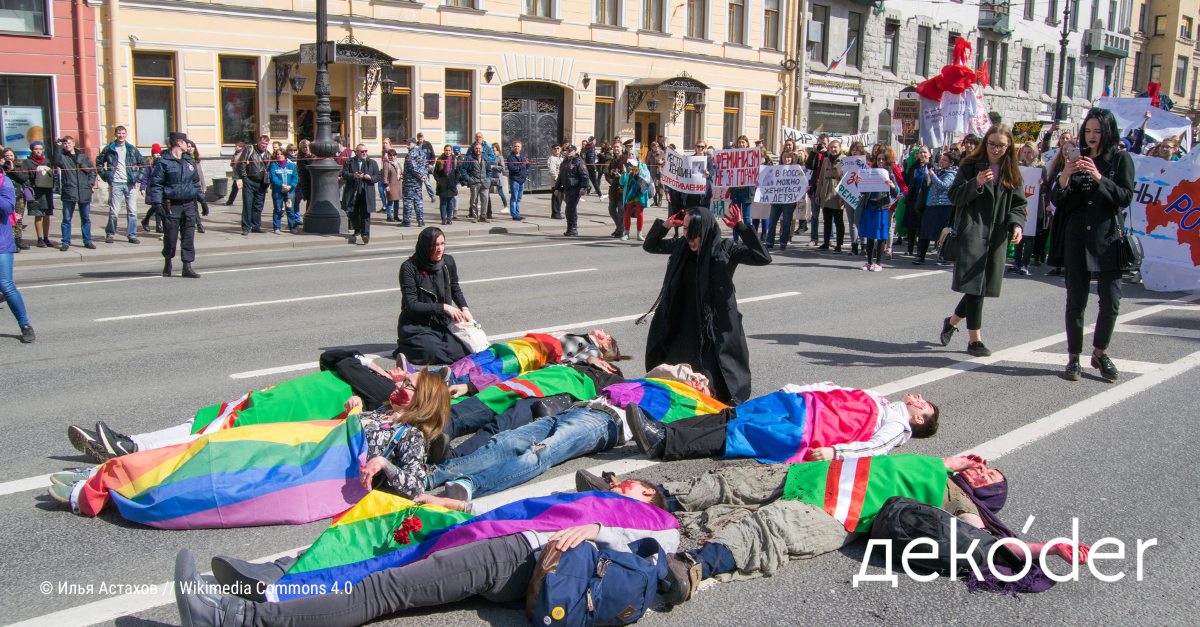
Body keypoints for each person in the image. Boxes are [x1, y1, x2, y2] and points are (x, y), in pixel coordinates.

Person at [172, 482, 680, 627]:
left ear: (652, 497)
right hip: (500, 539)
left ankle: (238, 620)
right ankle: (268, 580)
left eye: (636, 486)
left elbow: (667, 547)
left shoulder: (658, 520)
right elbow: (525, 512)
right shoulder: (596, 501)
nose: (623, 483)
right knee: (385, 536)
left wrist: (595, 526)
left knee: (383, 587)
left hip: (518, 559)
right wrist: (461, 504)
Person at [658, 454, 1089, 592]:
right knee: (729, 483)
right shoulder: (935, 464)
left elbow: (977, 537)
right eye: (985, 469)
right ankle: (651, 496)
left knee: (769, 530)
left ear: (987, 494)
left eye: (990, 480)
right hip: (810, 476)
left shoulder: (957, 499)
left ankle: (695, 565)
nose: (981, 473)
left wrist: (1042, 550)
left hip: (840, 512)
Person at [642, 207, 771, 405]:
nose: (689, 238)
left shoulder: (725, 248)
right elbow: (650, 245)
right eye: (685, 230)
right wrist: (667, 224)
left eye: (694, 233)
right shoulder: (681, 247)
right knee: (677, 377)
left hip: (714, 325)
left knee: (714, 379)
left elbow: (762, 257)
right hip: (684, 321)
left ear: (706, 230)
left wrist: (741, 227)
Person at [625, 382, 939, 462]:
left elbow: (875, 448)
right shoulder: (884, 402)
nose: (919, 398)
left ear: (920, 418)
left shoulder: (898, 426)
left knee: (739, 433)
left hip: (810, 428)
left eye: (925, 405)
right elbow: (835, 390)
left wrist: (834, 454)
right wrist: (799, 388)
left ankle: (665, 443)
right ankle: (664, 430)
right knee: (732, 415)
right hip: (802, 404)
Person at [1050, 108, 1135, 382]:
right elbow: (1057, 199)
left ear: (1107, 132)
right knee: (1076, 300)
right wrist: (1066, 173)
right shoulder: (1077, 158)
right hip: (1076, 237)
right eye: (1088, 131)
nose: (1092, 136)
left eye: (1097, 131)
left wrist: (1098, 177)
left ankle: (1100, 352)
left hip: (1107, 238)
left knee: (1111, 301)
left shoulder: (1120, 158)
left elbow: (1124, 196)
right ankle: (1073, 357)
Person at [940, 124, 1028, 357]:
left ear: (1009, 146)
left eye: (1000, 145)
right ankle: (974, 341)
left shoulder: (1012, 171)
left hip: (997, 235)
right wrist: (976, 183)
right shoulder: (970, 165)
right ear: (984, 143)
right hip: (973, 233)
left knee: (978, 287)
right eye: (991, 144)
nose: (995, 149)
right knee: (975, 287)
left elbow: (1019, 204)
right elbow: (954, 196)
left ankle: (952, 321)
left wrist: (1016, 224)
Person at [395, 227, 472, 365]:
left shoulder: (448, 262)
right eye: (434, 245)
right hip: (416, 324)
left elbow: (455, 288)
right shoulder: (408, 268)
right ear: (425, 246)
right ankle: (407, 346)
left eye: (442, 244)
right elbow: (411, 305)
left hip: (441, 323)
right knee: (432, 352)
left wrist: (465, 309)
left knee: (464, 348)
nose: (440, 249)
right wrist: (443, 308)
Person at [147, 131, 203, 279]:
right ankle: (168, 262)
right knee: (170, 237)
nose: (188, 145)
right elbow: (156, 184)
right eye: (185, 142)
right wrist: (157, 203)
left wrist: (202, 201)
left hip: (188, 204)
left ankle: (187, 266)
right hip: (172, 205)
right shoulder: (163, 161)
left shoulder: (189, 161)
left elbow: (195, 183)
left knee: (188, 235)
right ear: (179, 143)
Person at [95, 126, 147, 244]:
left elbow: (143, 165)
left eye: (123, 133)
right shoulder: (109, 148)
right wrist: (106, 176)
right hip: (116, 183)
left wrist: (138, 179)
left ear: (126, 134)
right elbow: (99, 162)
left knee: (132, 211)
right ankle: (110, 234)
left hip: (130, 184)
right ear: (115, 134)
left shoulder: (132, 149)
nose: (121, 135)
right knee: (114, 211)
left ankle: (132, 235)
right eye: (119, 133)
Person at [1, 163, 33, 342]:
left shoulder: (3, 181)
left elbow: (7, 208)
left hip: (1, 243)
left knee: (6, 285)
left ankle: (25, 325)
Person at [48, 136, 98, 251]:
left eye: (68, 143)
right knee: (66, 219)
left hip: (83, 191)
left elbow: (92, 171)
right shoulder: (62, 157)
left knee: (85, 218)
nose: (67, 145)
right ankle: (65, 242)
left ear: (74, 143)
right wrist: (57, 146)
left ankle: (88, 241)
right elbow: (54, 161)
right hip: (69, 191)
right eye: (64, 144)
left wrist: (89, 184)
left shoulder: (83, 157)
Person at [857, 149, 901, 272]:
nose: (881, 161)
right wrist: (858, 183)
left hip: (881, 207)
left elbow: (895, 193)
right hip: (869, 206)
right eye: (878, 159)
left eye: (883, 159)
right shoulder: (870, 172)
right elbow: (863, 190)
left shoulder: (889, 174)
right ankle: (869, 262)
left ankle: (879, 263)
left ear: (887, 160)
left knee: (881, 235)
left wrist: (892, 185)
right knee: (870, 236)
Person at [914, 151, 959, 264]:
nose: (942, 162)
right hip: (931, 205)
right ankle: (921, 256)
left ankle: (943, 257)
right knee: (925, 231)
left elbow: (943, 185)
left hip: (943, 206)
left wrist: (933, 175)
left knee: (942, 233)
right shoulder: (940, 171)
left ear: (951, 163)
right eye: (941, 159)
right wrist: (925, 167)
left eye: (945, 160)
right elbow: (928, 179)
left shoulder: (952, 173)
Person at [1009, 142, 1047, 275]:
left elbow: (1046, 188)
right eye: (1024, 152)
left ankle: (1025, 263)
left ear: (1035, 153)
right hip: (1020, 204)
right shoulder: (1018, 167)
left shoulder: (1041, 167)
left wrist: (1041, 184)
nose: (1026, 155)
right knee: (1017, 232)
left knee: (1029, 236)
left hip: (1035, 206)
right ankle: (1016, 262)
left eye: (1029, 152)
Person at [340, 143, 381, 244]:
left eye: (365, 151)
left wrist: (370, 178)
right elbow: (344, 174)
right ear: (356, 152)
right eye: (362, 151)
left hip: (366, 192)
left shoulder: (372, 163)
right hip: (353, 192)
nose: (364, 153)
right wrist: (353, 175)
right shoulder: (349, 162)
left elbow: (377, 176)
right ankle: (357, 229)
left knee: (365, 214)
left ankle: (365, 234)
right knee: (352, 213)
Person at [234, 135, 271, 235]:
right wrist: (244, 178)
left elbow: (268, 168)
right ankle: (246, 227)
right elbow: (240, 164)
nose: (264, 146)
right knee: (247, 204)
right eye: (263, 143)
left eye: (266, 144)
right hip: (249, 181)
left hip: (261, 183)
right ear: (258, 142)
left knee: (258, 206)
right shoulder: (249, 149)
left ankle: (256, 226)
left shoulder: (268, 154)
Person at [22, 141, 57, 248]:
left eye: (40, 149)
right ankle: (40, 238)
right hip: (36, 191)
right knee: (38, 214)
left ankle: (46, 238)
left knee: (47, 215)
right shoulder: (27, 162)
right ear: (32, 150)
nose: (38, 151)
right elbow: (25, 177)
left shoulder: (46, 161)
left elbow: (52, 173)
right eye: (36, 149)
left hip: (46, 190)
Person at [900, 145, 932, 256]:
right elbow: (907, 180)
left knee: (922, 225)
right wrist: (903, 171)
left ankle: (920, 250)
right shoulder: (914, 166)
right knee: (911, 224)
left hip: (926, 197)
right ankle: (909, 248)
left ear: (929, 154)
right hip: (914, 196)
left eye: (924, 152)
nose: (922, 155)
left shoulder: (933, 167)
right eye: (920, 153)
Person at [764, 151, 799, 250]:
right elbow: (769, 181)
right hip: (777, 200)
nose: (786, 159)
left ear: (792, 158)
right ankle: (769, 241)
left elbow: (801, 183)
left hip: (789, 201)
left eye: (788, 157)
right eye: (784, 157)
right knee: (772, 222)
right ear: (781, 158)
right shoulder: (776, 169)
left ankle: (783, 242)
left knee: (787, 223)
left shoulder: (796, 170)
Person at [553, 144, 590, 236]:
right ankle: (571, 228)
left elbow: (585, 175)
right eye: (567, 150)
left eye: (570, 150)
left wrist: (583, 188)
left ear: (575, 151)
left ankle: (573, 228)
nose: (568, 152)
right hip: (567, 188)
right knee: (571, 209)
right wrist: (557, 188)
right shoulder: (565, 162)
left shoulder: (578, 161)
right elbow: (560, 177)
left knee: (570, 208)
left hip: (575, 188)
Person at [815, 139, 844, 251]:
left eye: (835, 147)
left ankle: (839, 245)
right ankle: (826, 242)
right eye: (831, 147)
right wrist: (818, 194)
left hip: (837, 194)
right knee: (827, 221)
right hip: (825, 194)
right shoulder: (826, 160)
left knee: (839, 221)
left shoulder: (843, 161)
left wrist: (842, 197)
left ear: (840, 148)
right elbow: (821, 178)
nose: (833, 149)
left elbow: (846, 181)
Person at [1, 148, 30, 251]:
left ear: (14, 156)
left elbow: (24, 178)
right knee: (9, 219)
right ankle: (11, 242)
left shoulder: (19, 165)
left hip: (19, 195)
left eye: (11, 155)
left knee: (19, 220)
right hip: (6, 198)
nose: (9, 158)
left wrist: (12, 169)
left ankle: (18, 240)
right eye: (6, 156)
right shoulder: (2, 168)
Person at [619, 151, 652, 241]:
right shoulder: (627, 167)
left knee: (639, 213)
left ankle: (639, 234)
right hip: (629, 192)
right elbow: (622, 182)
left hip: (639, 192)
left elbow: (648, 178)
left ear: (636, 157)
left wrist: (640, 172)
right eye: (629, 155)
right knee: (627, 213)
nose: (631, 156)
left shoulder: (642, 166)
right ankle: (626, 233)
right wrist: (624, 173)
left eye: (632, 154)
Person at [267, 147, 298, 234]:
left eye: (281, 154)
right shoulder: (274, 165)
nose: (279, 156)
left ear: (285, 155)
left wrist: (290, 186)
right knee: (277, 209)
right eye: (277, 154)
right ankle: (277, 227)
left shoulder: (291, 166)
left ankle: (292, 227)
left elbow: (295, 177)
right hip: (278, 191)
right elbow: (273, 177)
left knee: (290, 209)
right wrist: (282, 184)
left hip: (289, 191)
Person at [402, 137, 429, 227]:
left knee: (408, 201)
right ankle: (420, 220)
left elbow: (412, 167)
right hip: (418, 181)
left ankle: (407, 221)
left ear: (414, 144)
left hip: (410, 181)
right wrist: (424, 175)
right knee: (418, 201)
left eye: (409, 144)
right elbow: (426, 165)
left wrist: (421, 176)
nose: (407, 146)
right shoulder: (422, 152)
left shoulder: (411, 153)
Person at [461, 142, 490, 223]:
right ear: (474, 149)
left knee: (485, 200)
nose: (478, 150)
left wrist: (488, 179)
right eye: (476, 148)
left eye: (479, 148)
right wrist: (468, 179)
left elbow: (489, 170)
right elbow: (463, 170)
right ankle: (475, 216)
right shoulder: (469, 158)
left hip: (484, 182)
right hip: (474, 182)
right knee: (474, 201)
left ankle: (483, 216)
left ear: (482, 149)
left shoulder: (485, 158)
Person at [185, 140, 209, 234]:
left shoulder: (196, 159)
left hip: (197, 186)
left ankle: (198, 224)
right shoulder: (185, 159)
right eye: (188, 146)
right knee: (194, 206)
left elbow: (200, 174)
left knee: (196, 205)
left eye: (192, 146)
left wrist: (203, 185)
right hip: (189, 187)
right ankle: (198, 224)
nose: (190, 148)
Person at [504, 140, 530, 221]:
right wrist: (520, 167)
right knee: (514, 198)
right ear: (513, 147)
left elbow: (528, 165)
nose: (517, 148)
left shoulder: (523, 157)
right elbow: (511, 168)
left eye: (518, 146)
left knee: (519, 198)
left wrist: (526, 173)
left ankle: (518, 213)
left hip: (522, 180)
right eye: (515, 146)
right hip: (515, 180)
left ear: (521, 148)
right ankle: (514, 214)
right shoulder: (510, 157)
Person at [433, 145, 458, 225]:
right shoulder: (440, 159)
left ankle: (449, 218)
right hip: (442, 184)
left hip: (451, 184)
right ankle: (443, 218)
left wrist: (455, 181)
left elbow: (457, 172)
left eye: (449, 150)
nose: (448, 152)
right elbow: (435, 172)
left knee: (450, 202)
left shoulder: (454, 160)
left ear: (451, 151)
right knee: (443, 202)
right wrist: (439, 181)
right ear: (444, 151)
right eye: (446, 150)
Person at [606, 150, 627, 238]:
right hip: (614, 187)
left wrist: (622, 175)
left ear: (621, 148)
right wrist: (611, 173)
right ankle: (620, 227)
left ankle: (620, 230)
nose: (616, 149)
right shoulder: (613, 160)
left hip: (622, 188)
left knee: (621, 211)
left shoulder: (625, 159)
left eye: (618, 147)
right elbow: (609, 173)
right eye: (615, 147)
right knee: (611, 209)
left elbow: (628, 173)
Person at [381, 148, 402, 222]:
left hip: (398, 185)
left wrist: (401, 175)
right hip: (391, 185)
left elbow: (401, 172)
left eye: (393, 155)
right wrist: (386, 185)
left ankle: (396, 215)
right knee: (390, 200)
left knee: (397, 201)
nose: (392, 157)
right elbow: (384, 176)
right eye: (390, 155)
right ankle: (389, 215)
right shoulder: (387, 164)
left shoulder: (398, 164)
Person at [295, 139, 313, 213]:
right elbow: (303, 169)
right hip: (306, 182)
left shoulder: (312, 155)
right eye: (303, 147)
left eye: (306, 147)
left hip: (312, 181)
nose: (305, 149)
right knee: (309, 200)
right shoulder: (301, 157)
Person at [646, 141, 666, 206]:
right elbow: (648, 162)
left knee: (660, 187)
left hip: (660, 172)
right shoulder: (649, 153)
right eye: (655, 147)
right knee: (653, 186)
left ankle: (660, 200)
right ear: (652, 147)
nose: (656, 148)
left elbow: (666, 161)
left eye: (657, 146)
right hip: (652, 172)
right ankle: (654, 201)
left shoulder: (661, 152)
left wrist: (662, 162)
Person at [547, 144, 564, 219]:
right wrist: (558, 180)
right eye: (555, 148)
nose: (556, 150)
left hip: (562, 181)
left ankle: (558, 212)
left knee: (560, 198)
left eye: (558, 148)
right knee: (556, 198)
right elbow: (552, 171)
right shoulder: (552, 159)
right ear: (552, 150)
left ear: (560, 149)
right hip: (556, 182)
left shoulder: (561, 158)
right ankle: (555, 213)